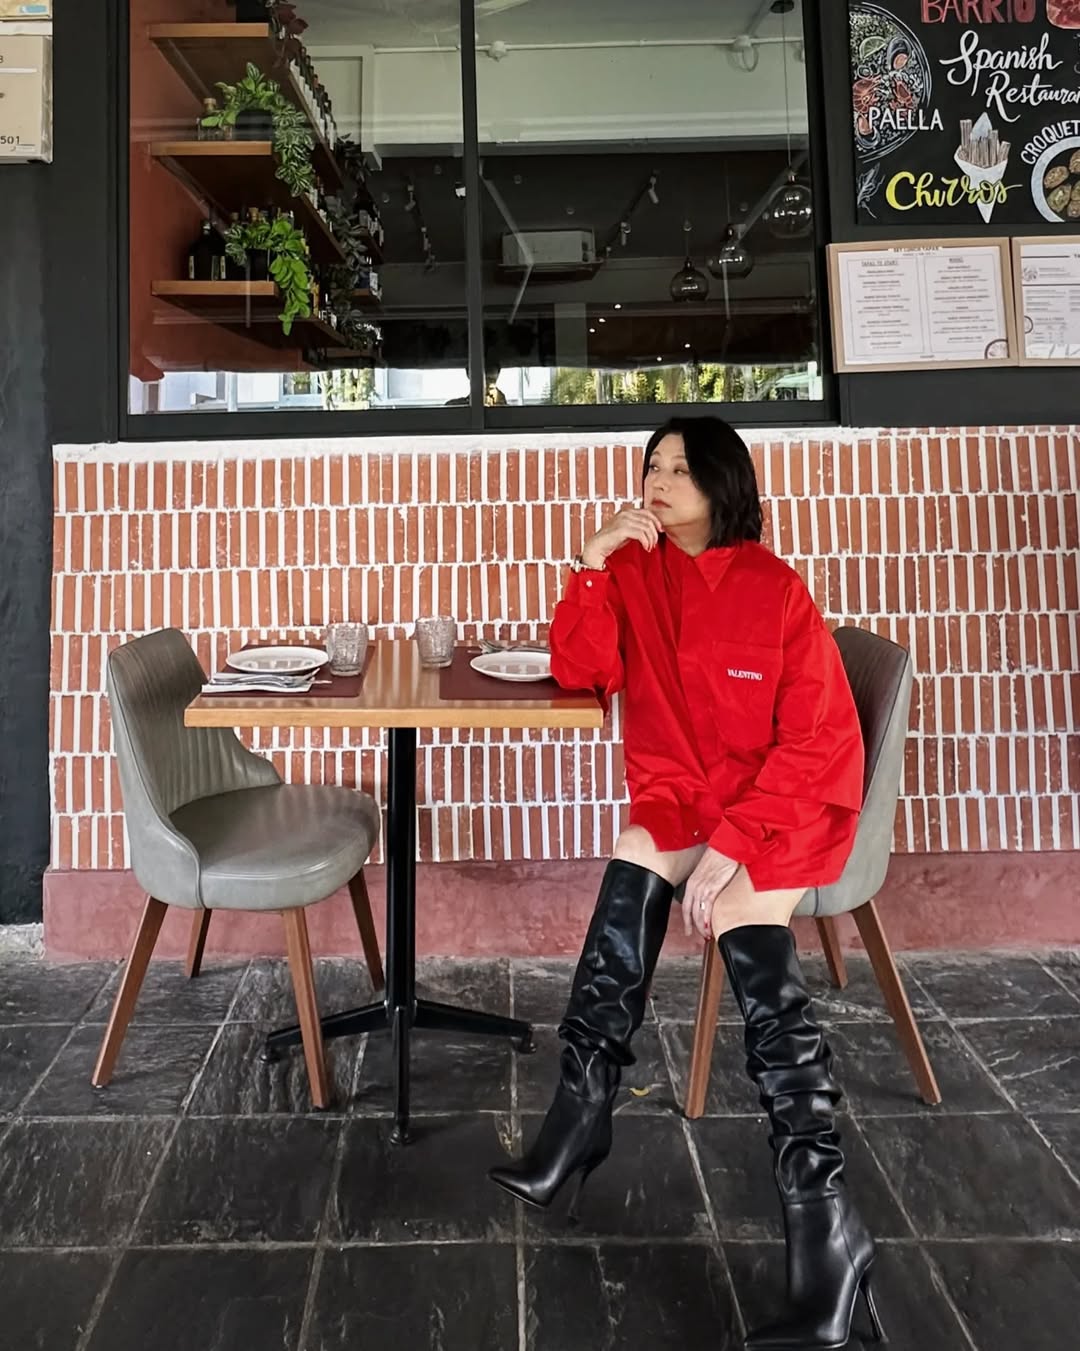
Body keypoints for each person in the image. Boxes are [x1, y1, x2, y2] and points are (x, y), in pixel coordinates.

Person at [488, 416, 883, 1350]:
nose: (658, 482)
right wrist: (589, 563)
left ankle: (828, 1231)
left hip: (782, 805)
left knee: (743, 928)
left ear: (720, 482)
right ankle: (579, 1115)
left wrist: (735, 844)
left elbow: (816, 741)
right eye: (650, 466)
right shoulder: (633, 569)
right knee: (636, 851)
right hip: (685, 798)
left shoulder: (775, 588)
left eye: (679, 467)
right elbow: (583, 671)